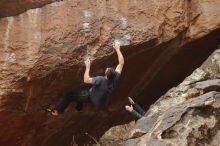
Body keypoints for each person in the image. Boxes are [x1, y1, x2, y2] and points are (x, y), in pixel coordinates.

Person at [50, 44, 124, 116]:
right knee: (83, 89)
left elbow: (86, 80)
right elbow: (121, 63)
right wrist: (118, 49)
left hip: (90, 96)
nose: (107, 68)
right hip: (101, 101)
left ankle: (58, 111)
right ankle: (79, 108)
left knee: (69, 96)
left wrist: (87, 67)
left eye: (107, 69)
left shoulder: (100, 80)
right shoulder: (115, 77)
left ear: (106, 74)